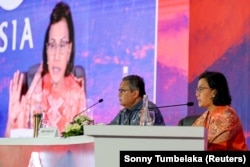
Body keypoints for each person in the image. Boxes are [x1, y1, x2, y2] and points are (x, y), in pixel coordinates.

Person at [6, 2, 86, 136]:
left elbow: (84, 146)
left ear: (69, 49)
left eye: (62, 45)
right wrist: (11, 120)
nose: (56, 55)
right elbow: (12, 148)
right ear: (47, 49)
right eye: (52, 45)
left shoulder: (76, 95)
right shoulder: (33, 92)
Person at [192, 71, 247, 150]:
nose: (197, 94)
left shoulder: (227, 116)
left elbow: (210, 147)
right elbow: (191, 140)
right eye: (197, 90)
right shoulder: (205, 116)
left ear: (214, 92)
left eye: (201, 89)